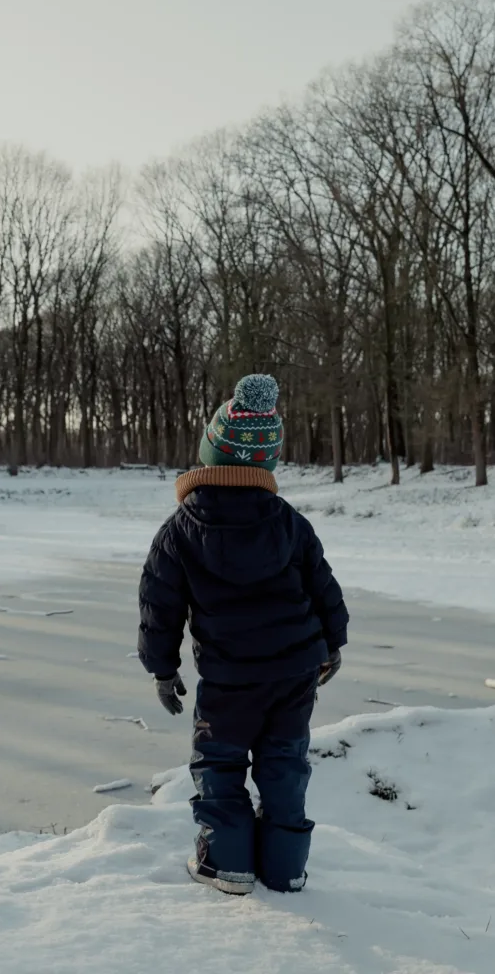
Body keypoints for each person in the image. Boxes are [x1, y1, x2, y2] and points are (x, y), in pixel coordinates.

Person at [138, 374, 348, 895]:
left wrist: (163, 669)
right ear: (267, 462)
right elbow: (323, 587)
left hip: (229, 676)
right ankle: (284, 868)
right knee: (283, 764)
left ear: (211, 452)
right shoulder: (288, 522)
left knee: (219, 761)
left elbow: (160, 606)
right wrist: (333, 642)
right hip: (294, 671)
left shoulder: (180, 530)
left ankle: (227, 864)